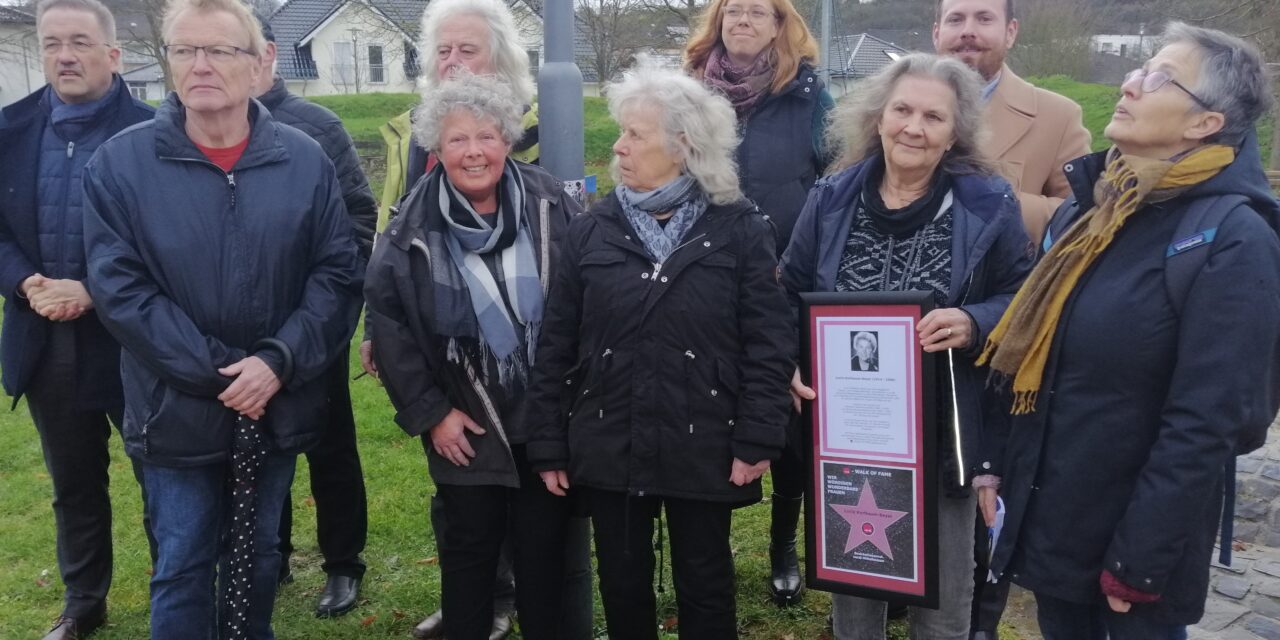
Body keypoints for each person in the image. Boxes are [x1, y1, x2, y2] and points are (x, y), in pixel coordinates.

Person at [981, 23, 1280, 640]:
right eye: (1141, 69)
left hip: (1133, 557)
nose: (1131, 83)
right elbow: (1042, 356)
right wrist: (995, 464)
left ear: (1206, 124)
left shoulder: (1233, 238)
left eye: (1161, 78)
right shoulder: (1093, 208)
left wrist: (1137, 565)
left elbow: (1209, 421)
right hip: (1060, 525)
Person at [81, 0, 363, 636]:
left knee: (259, 554)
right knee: (181, 564)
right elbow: (122, 291)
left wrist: (277, 363)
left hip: (277, 402)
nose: (199, 65)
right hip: (173, 408)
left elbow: (337, 274)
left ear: (261, 61)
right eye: (184, 50)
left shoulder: (304, 161)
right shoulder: (120, 168)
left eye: (218, 51)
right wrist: (225, 374)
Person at [525, 65, 794, 640]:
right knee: (621, 583)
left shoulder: (739, 229)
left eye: (635, 135)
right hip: (609, 437)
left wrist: (758, 438)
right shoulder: (590, 231)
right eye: (620, 133)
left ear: (684, 146)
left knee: (707, 580)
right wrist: (548, 441)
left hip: (706, 438)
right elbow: (556, 344)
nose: (618, 147)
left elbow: (770, 344)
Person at [780, 53, 1033, 640]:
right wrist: (787, 361)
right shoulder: (832, 195)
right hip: (850, 428)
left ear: (954, 133)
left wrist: (974, 320)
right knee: (854, 577)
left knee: (943, 597)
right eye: (902, 110)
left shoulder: (988, 204)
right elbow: (788, 289)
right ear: (878, 117)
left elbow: (1023, 297)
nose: (913, 128)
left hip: (942, 431)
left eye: (933, 117)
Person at [366, 2, 593, 637]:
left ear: (507, 140)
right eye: (457, 140)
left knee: (545, 569)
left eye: (486, 137)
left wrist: (571, 407)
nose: (474, 152)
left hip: (544, 421)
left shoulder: (552, 203)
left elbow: (583, 309)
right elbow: (391, 323)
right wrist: (431, 415)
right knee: (468, 569)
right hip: (465, 424)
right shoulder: (410, 227)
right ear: (437, 147)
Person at [0, 0, 154, 637]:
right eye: (53, 42)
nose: (65, 55)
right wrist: (23, 281)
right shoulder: (8, 131)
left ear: (112, 54)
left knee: (162, 479)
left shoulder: (153, 132)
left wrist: (93, 289)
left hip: (135, 343)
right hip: (46, 340)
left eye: (81, 43)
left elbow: (170, 241)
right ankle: (83, 603)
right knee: (73, 483)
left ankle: (180, 586)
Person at [683, 0, 833, 605]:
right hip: (705, 276)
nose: (743, 19)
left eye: (758, 10)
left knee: (790, 411)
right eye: (732, 9)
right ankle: (705, 541)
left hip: (787, 276)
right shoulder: (688, 88)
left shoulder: (807, 95)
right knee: (711, 400)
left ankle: (783, 545)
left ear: (780, 24)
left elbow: (836, 181)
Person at [251, 16, 375, 618]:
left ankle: (343, 564)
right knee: (252, 441)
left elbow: (358, 217)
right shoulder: (192, 127)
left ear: (269, 54)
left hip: (313, 323)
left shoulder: (318, 127)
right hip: (237, 330)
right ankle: (267, 555)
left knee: (330, 448)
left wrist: (325, 308)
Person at [933, 0, 1091, 243]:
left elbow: (1082, 218)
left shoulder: (1059, 117)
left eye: (984, 19)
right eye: (955, 19)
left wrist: (996, 202)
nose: (967, 30)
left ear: (1010, 32)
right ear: (936, 34)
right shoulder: (893, 113)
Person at [374, 0, 539, 233]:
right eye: (443, 51)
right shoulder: (409, 135)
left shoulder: (539, 134)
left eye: (467, 50)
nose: (451, 61)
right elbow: (388, 231)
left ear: (501, 61)